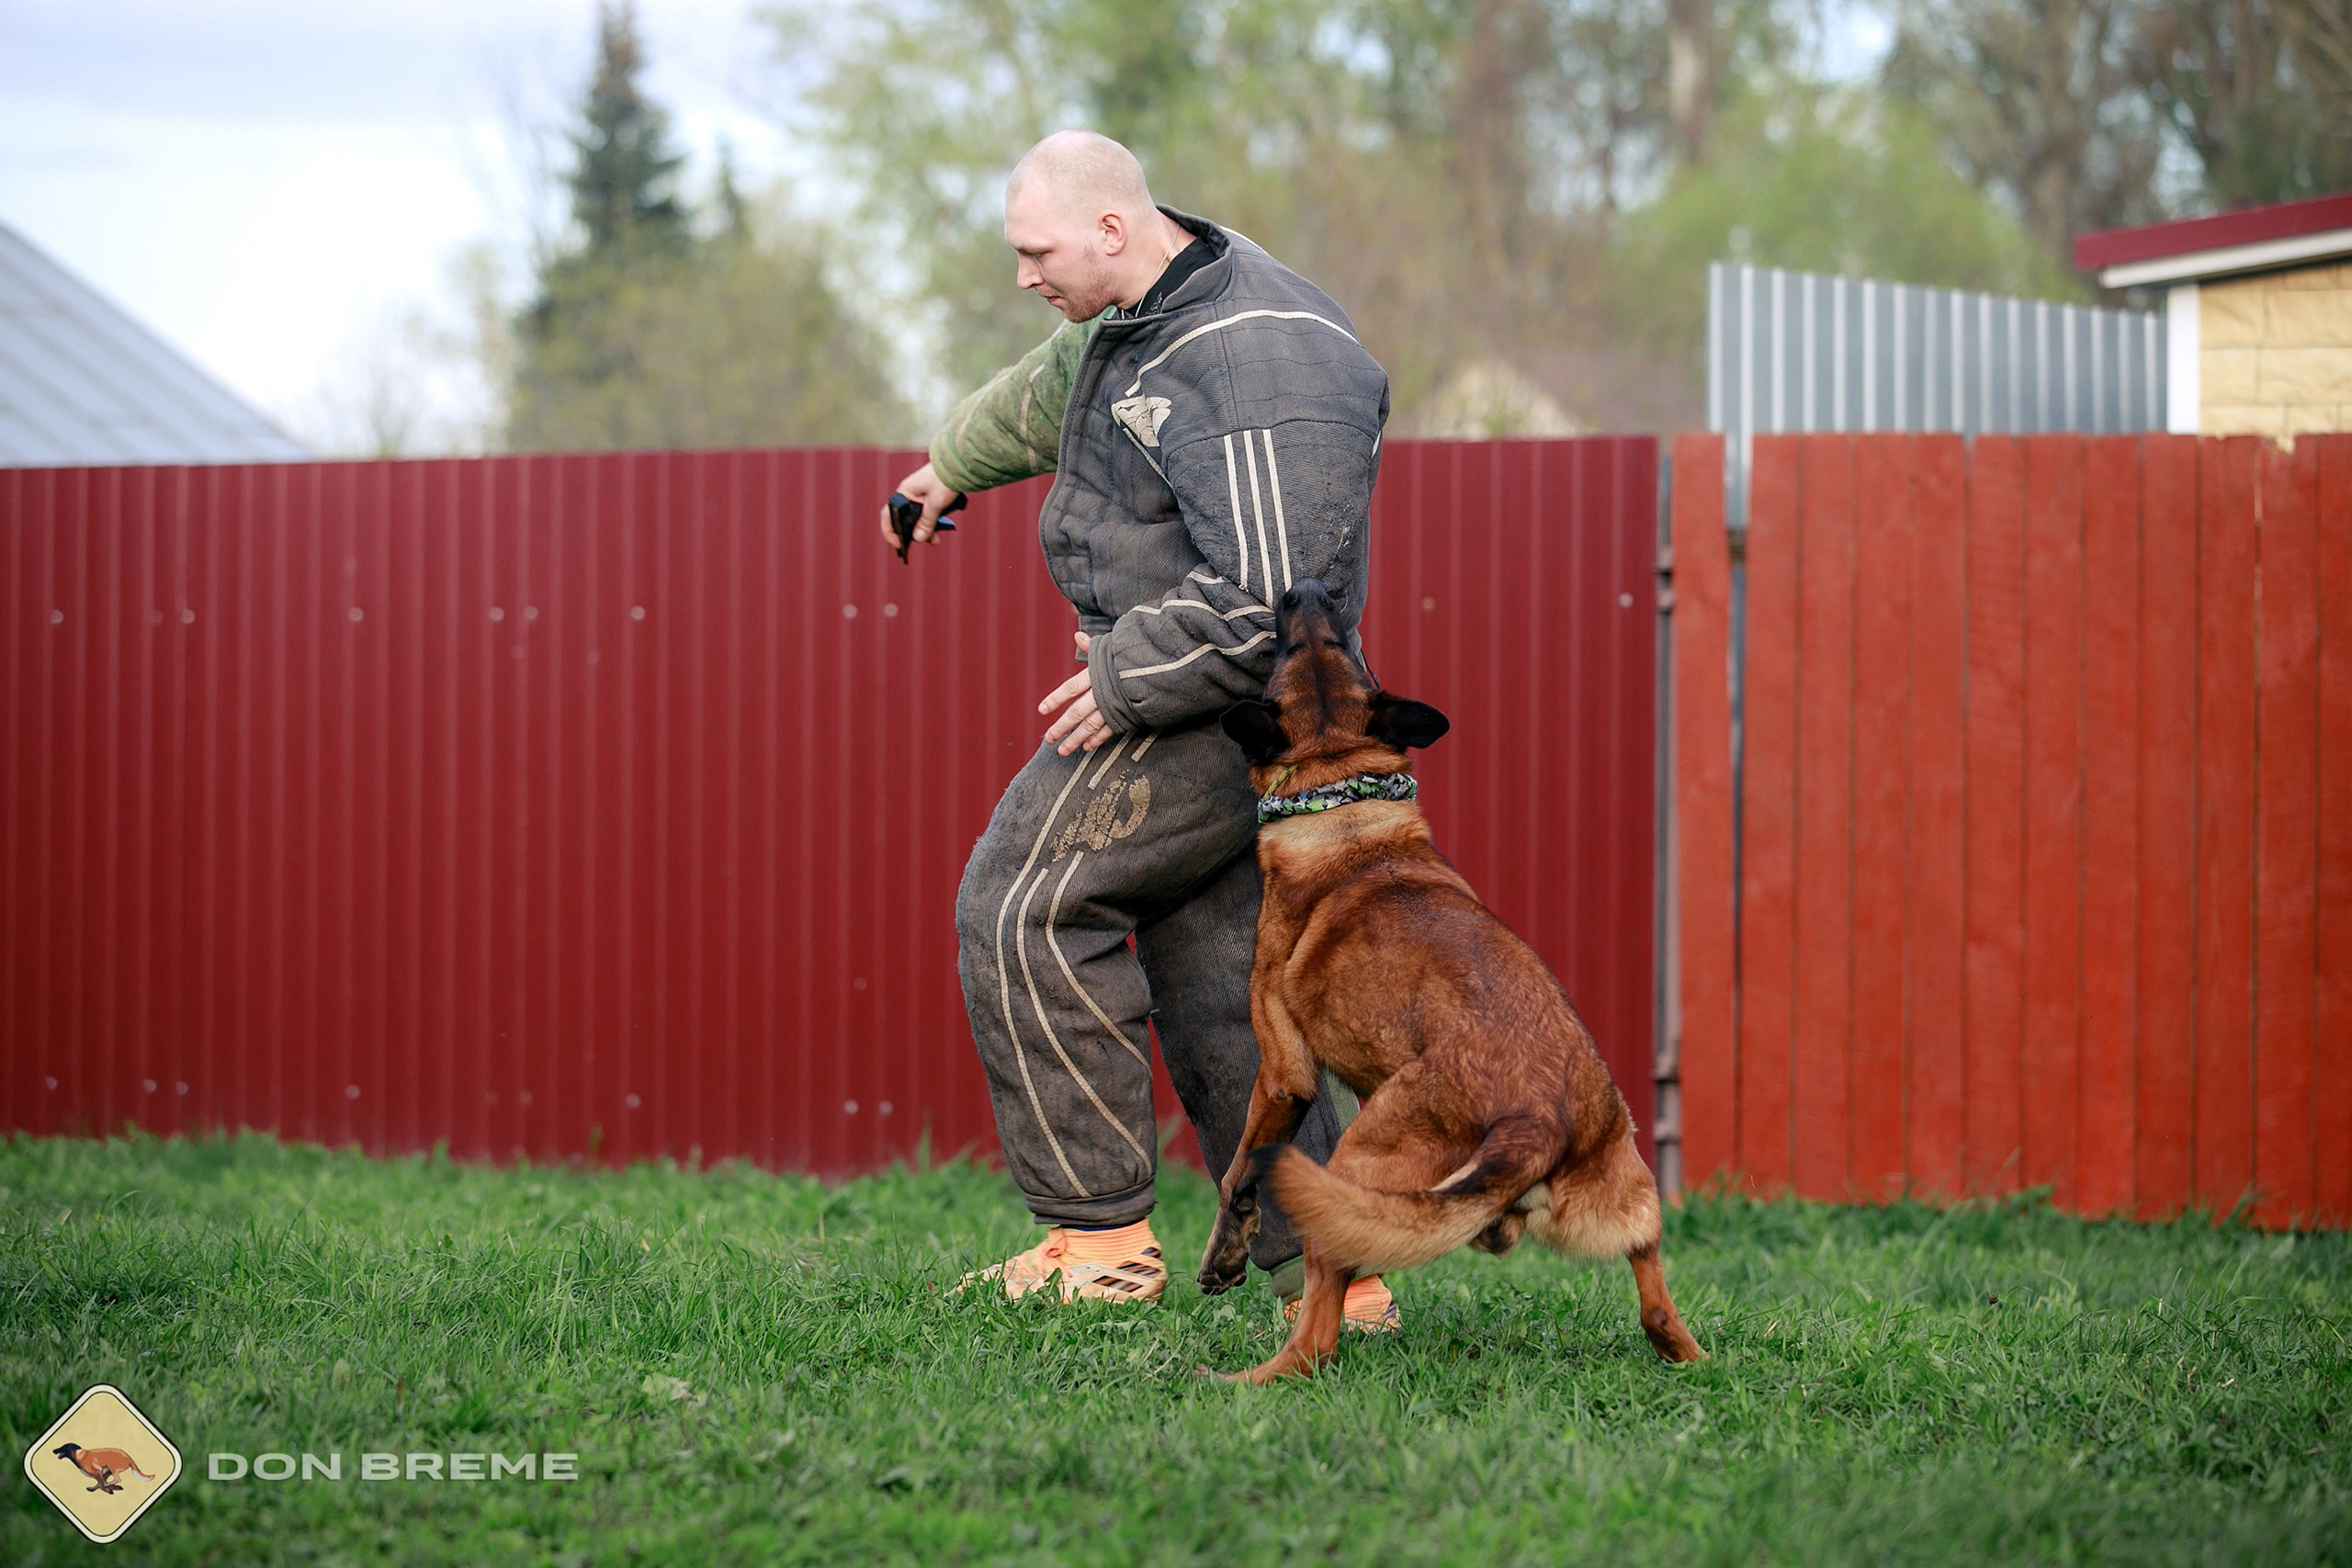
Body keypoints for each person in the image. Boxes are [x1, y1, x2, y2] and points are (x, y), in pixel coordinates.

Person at [882, 130, 1396, 1328]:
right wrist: (945, 471)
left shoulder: (1257, 357)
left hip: (1222, 707)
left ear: (1111, 229)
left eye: (1036, 252)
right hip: (1185, 689)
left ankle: (1098, 1242)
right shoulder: (1143, 313)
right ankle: (1336, 1267)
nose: (1023, 275)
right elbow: (1056, 389)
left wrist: (1125, 679)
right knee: (1216, 972)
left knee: (1023, 906)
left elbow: (1283, 598)